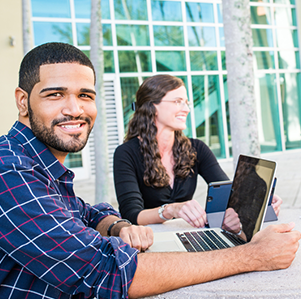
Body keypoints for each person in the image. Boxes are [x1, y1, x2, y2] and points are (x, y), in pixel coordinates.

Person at [0, 42, 299, 299]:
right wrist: (254, 255)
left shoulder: (39, 166)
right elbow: (108, 274)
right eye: (55, 95)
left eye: (85, 95)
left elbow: (83, 212)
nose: (74, 109)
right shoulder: (9, 168)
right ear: (23, 101)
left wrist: (117, 227)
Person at [113, 75, 282, 232]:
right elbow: (131, 215)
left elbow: (226, 192)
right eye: (178, 101)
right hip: (151, 238)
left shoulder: (196, 148)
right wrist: (171, 209)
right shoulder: (126, 153)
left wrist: (260, 199)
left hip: (184, 234)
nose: (186, 109)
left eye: (186, 102)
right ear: (152, 106)